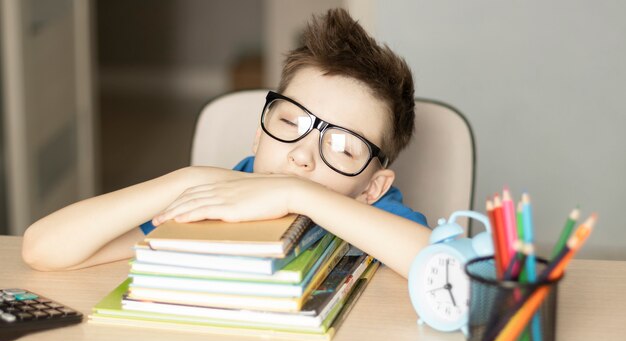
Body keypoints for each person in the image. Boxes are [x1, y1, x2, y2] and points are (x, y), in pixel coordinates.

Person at [22, 8, 431, 278]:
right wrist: (188, 180)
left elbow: (451, 274)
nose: (302, 156)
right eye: (290, 122)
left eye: (343, 148)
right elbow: (42, 249)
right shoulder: (215, 198)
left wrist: (296, 195)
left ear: (373, 186)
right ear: (259, 134)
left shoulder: (376, 210)